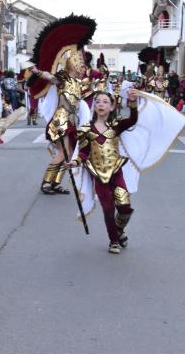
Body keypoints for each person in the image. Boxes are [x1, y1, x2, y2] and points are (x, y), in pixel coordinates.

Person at [27, 14, 96, 195]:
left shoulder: (78, 82)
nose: (81, 65)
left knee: (70, 153)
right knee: (63, 154)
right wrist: (38, 71)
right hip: (60, 121)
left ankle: (55, 183)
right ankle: (45, 183)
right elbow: (50, 77)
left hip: (70, 122)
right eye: (78, 62)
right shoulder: (63, 78)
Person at [67, 90, 138, 253]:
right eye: (98, 101)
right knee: (108, 209)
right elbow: (84, 152)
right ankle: (113, 240)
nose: (100, 104)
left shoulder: (117, 126)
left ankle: (119, 229)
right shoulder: (86, 129)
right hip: (98, 175)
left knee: (125, 205)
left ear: (112, 107)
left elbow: (133, 120)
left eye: (105, 101)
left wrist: (132, 103)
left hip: (116, 171)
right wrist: (75, 161)